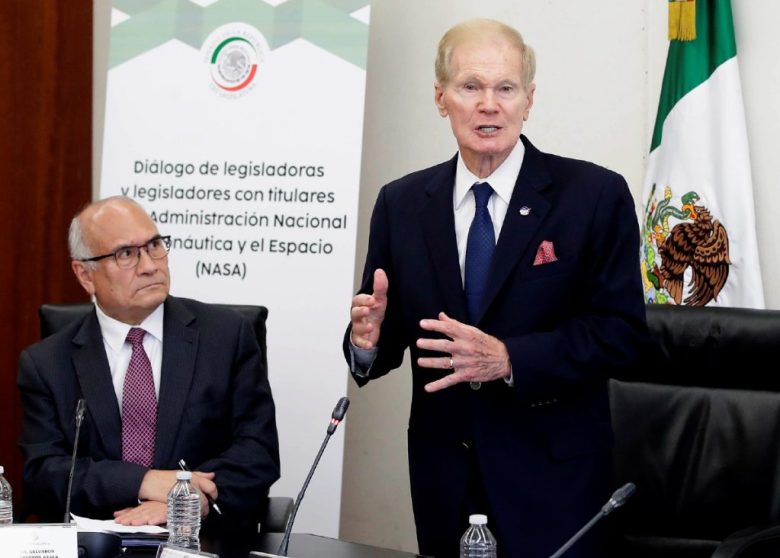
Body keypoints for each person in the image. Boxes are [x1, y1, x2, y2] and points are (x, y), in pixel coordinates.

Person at [344, 18, 646, 558]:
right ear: (441, 98)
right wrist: (365, 342)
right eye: (470, 87)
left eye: (505, 88)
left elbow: (623, 336)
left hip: (554, 489)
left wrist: (510, 358)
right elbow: (386, 345)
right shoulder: (402, 204)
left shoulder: (594, 196)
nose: (489, 104)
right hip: (444, 483)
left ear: (529, 100)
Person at [18, 196, 279, 536]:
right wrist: (143, 482)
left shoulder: (226, 337)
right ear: (85, 274)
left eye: (155, 245)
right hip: (96, 543)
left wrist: (186, 500)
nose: (150, 265)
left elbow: (257, 452)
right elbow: (43, 474)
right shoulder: (47, 363)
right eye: (126, 254)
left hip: (201, 540)